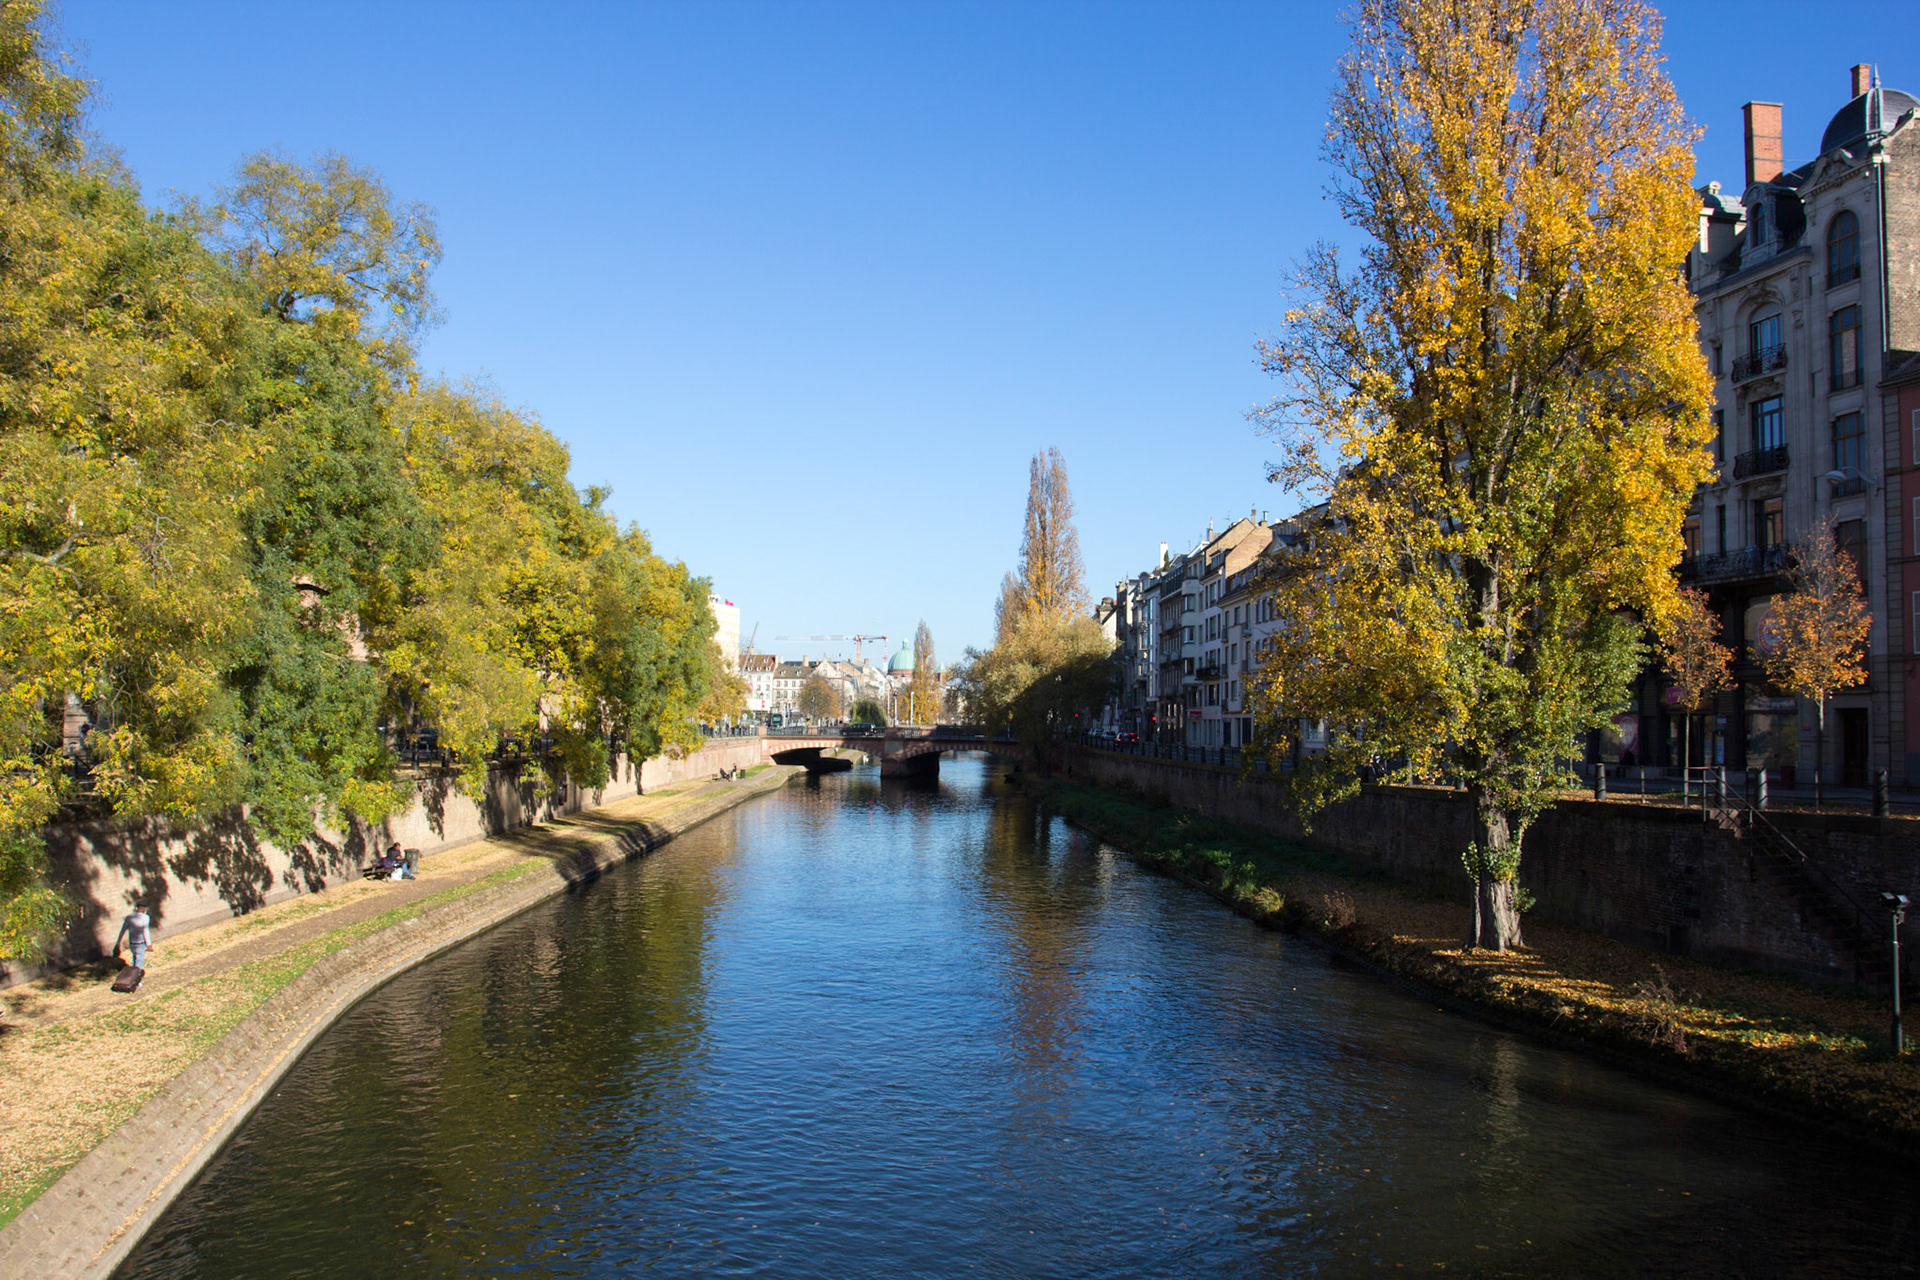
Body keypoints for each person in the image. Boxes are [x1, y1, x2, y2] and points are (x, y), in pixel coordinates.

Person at [113, 904, 154, 970]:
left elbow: (122, 931)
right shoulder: (145, 917)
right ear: (144, 909)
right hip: (140, 943)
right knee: (139, 964)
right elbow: (145, 931)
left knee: (135, 960)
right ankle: (136, 978)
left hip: (132, 944)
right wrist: (148, 944)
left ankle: (132, 975)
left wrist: (118, 943)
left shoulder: (129, 917)